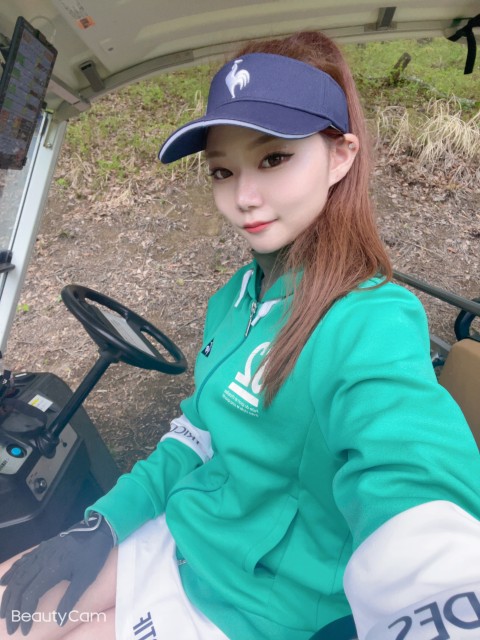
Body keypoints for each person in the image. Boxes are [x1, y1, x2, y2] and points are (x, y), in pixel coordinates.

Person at [1, 30, 480, 640]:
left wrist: (443, 598)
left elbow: (414, 480)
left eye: (274, 159)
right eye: (223, 171)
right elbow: (196, 433)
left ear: (340, 156)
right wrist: (104, 522)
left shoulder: (371, 318)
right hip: (184, 533)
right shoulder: (235, 296)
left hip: (250, 605)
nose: (243, 198)